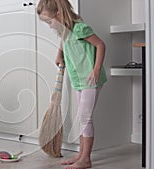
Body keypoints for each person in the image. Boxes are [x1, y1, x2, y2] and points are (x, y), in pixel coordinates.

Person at [37, 0, 107, 169]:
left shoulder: (79, 28)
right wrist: (59, 54)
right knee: (83, 118)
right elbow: (63, 41)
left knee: (85, 118)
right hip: (78, 79)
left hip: (90, 79)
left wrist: (96, 70)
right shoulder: (65, 31)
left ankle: (86, 159)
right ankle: (81, 155)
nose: (50, 26)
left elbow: (100, 45)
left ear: (59, 14)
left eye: (49, 21)